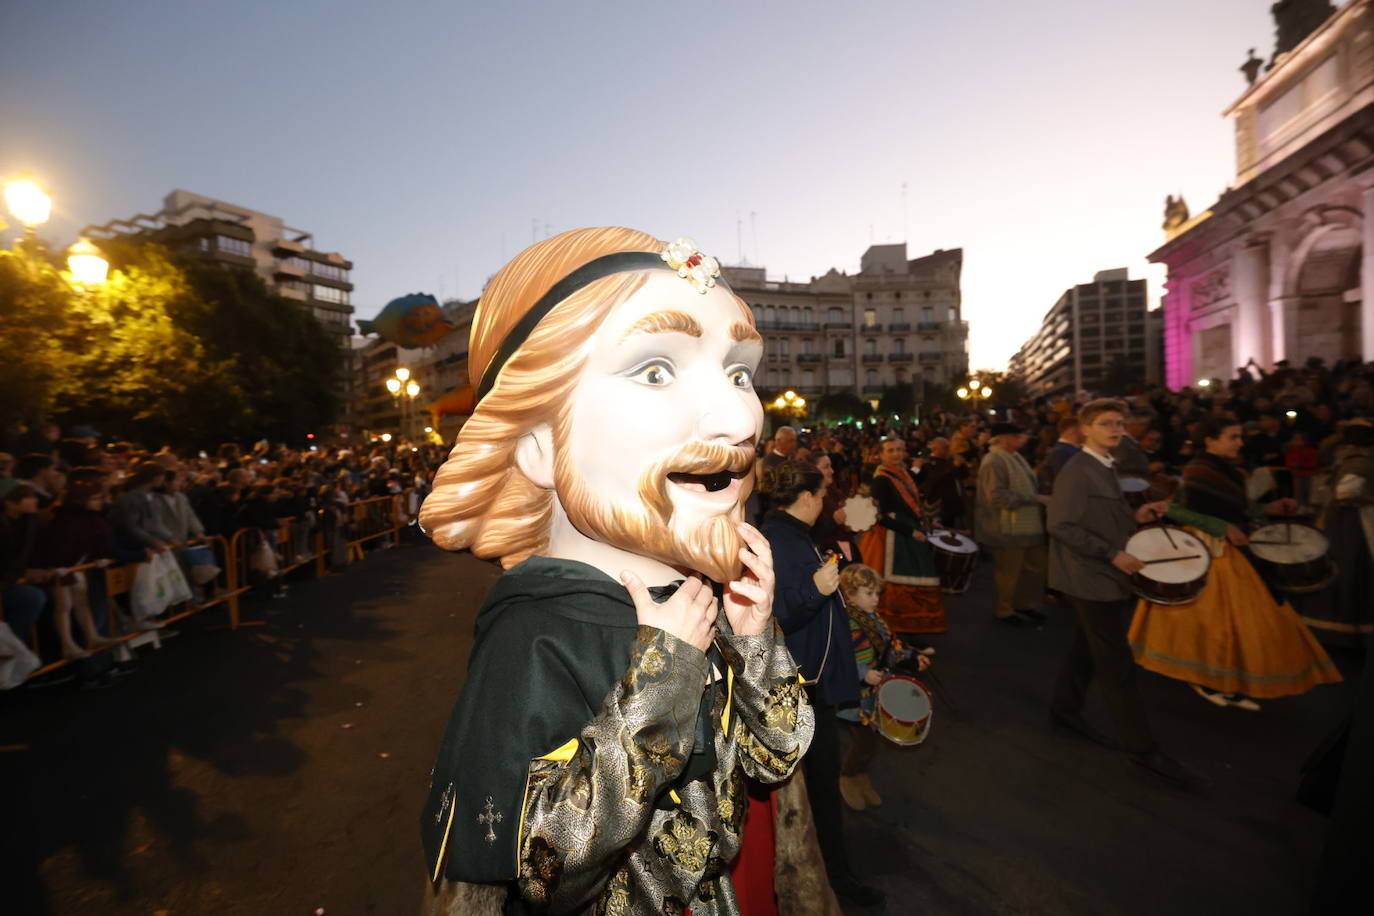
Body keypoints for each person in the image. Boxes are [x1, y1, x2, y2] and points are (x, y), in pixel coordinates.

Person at [416, 228, 814, 915]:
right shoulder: (537, 635)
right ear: (539, 446)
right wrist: (660, 682)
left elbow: (772, 761)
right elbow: (542, 870)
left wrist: (752, 640)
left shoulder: (696, 595)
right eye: (656, 369)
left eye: (740, 372)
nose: (740, 416)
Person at [1127, 416, 1342, 709]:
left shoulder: (1230, 469)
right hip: (1209, 550)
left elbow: (1237, 506)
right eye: (1232, 437)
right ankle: (1208, 679)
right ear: (1210, 440)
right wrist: (1222, 527)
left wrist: (1269, 507)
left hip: (1234, 549)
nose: (1240, 442)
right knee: (1215, 622)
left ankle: (1231, 679)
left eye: (1239, 436)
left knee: (1245, 622)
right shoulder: (1198, 470)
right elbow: (1178, 510)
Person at [1048, 398, 1208, 792]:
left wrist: (1136, 516)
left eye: (1120, 423)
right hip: (1091, 578)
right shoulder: (1077, 471)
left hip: (1103, 575)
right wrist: (1113, 553)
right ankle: (1142, 748)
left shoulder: (1105, 465)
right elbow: (1061, 525)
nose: (1116, 430)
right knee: (1116, 664)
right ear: (1085, 429)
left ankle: (1064, 710)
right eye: (1106, 424)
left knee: (1087, 647)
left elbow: (1098, 516)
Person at [762, 459, 883, 908]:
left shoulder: (791, 535)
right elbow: (779, 615)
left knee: (819, 786)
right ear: (808, 498)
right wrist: (816, 588)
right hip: (801, 686)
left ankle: (832, 874)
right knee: (819, 789)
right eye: (822, 495)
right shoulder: (780, 539)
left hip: (809, 681)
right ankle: (835, 880)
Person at [836, 563, 929, 812]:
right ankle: (847, 776)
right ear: (850, 594)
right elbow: (840, 658)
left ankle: (860, 775)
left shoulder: (873, 618)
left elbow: (890, 646)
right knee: (866, 742)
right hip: (855, 697)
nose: (876, 599)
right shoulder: (845, 622)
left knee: (871, 741)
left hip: (873, 695)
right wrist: (865, 674)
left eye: (877, 593)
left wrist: (912, 657)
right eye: (869, 594)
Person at [859, 436, 947, 634]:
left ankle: (909, 629)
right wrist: (911, 531)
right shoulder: (882, 479)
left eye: (899, 449)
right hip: (892, 538)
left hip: (908, 534)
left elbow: (913, 504)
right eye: (891, 450)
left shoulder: (902, 473)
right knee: (896, 585)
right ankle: (896, 630)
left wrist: (926, 522)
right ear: (881, 455)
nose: (896, 454)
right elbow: (879, 516)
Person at [1299, 419, 1374, 644]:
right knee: (1352, 569)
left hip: (1342, 522)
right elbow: (1345, 492)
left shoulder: (1349, 459)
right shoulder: (1361, 462)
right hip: (1353, 524)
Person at [976, 422, 1051, 627]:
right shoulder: (994, 460)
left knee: (1032, 568)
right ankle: (1004, 610)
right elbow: (996, 497)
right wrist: (1034, 498)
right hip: (1006, 527)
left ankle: (1023, 604)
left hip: (1026, 525)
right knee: (1009, 572)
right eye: (1017, 436)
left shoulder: (1014, 457)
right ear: (1004, 438)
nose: (1022, 439)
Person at [914, 436, 964, 529]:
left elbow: (962, 476)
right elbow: (937, 479)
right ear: (935, 449)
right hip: (938, 509)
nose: (949, 450)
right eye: (945, 447)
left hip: (951, 507)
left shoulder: (948, 462)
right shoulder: (927, 464)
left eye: (949, 447)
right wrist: (955, 466)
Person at [1038, 416, 1083, 495]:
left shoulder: (1072, 449)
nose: (1087, 433)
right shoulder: (1060, 452)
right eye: (1083, 429)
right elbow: (1065, 481)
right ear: (1072, 431)